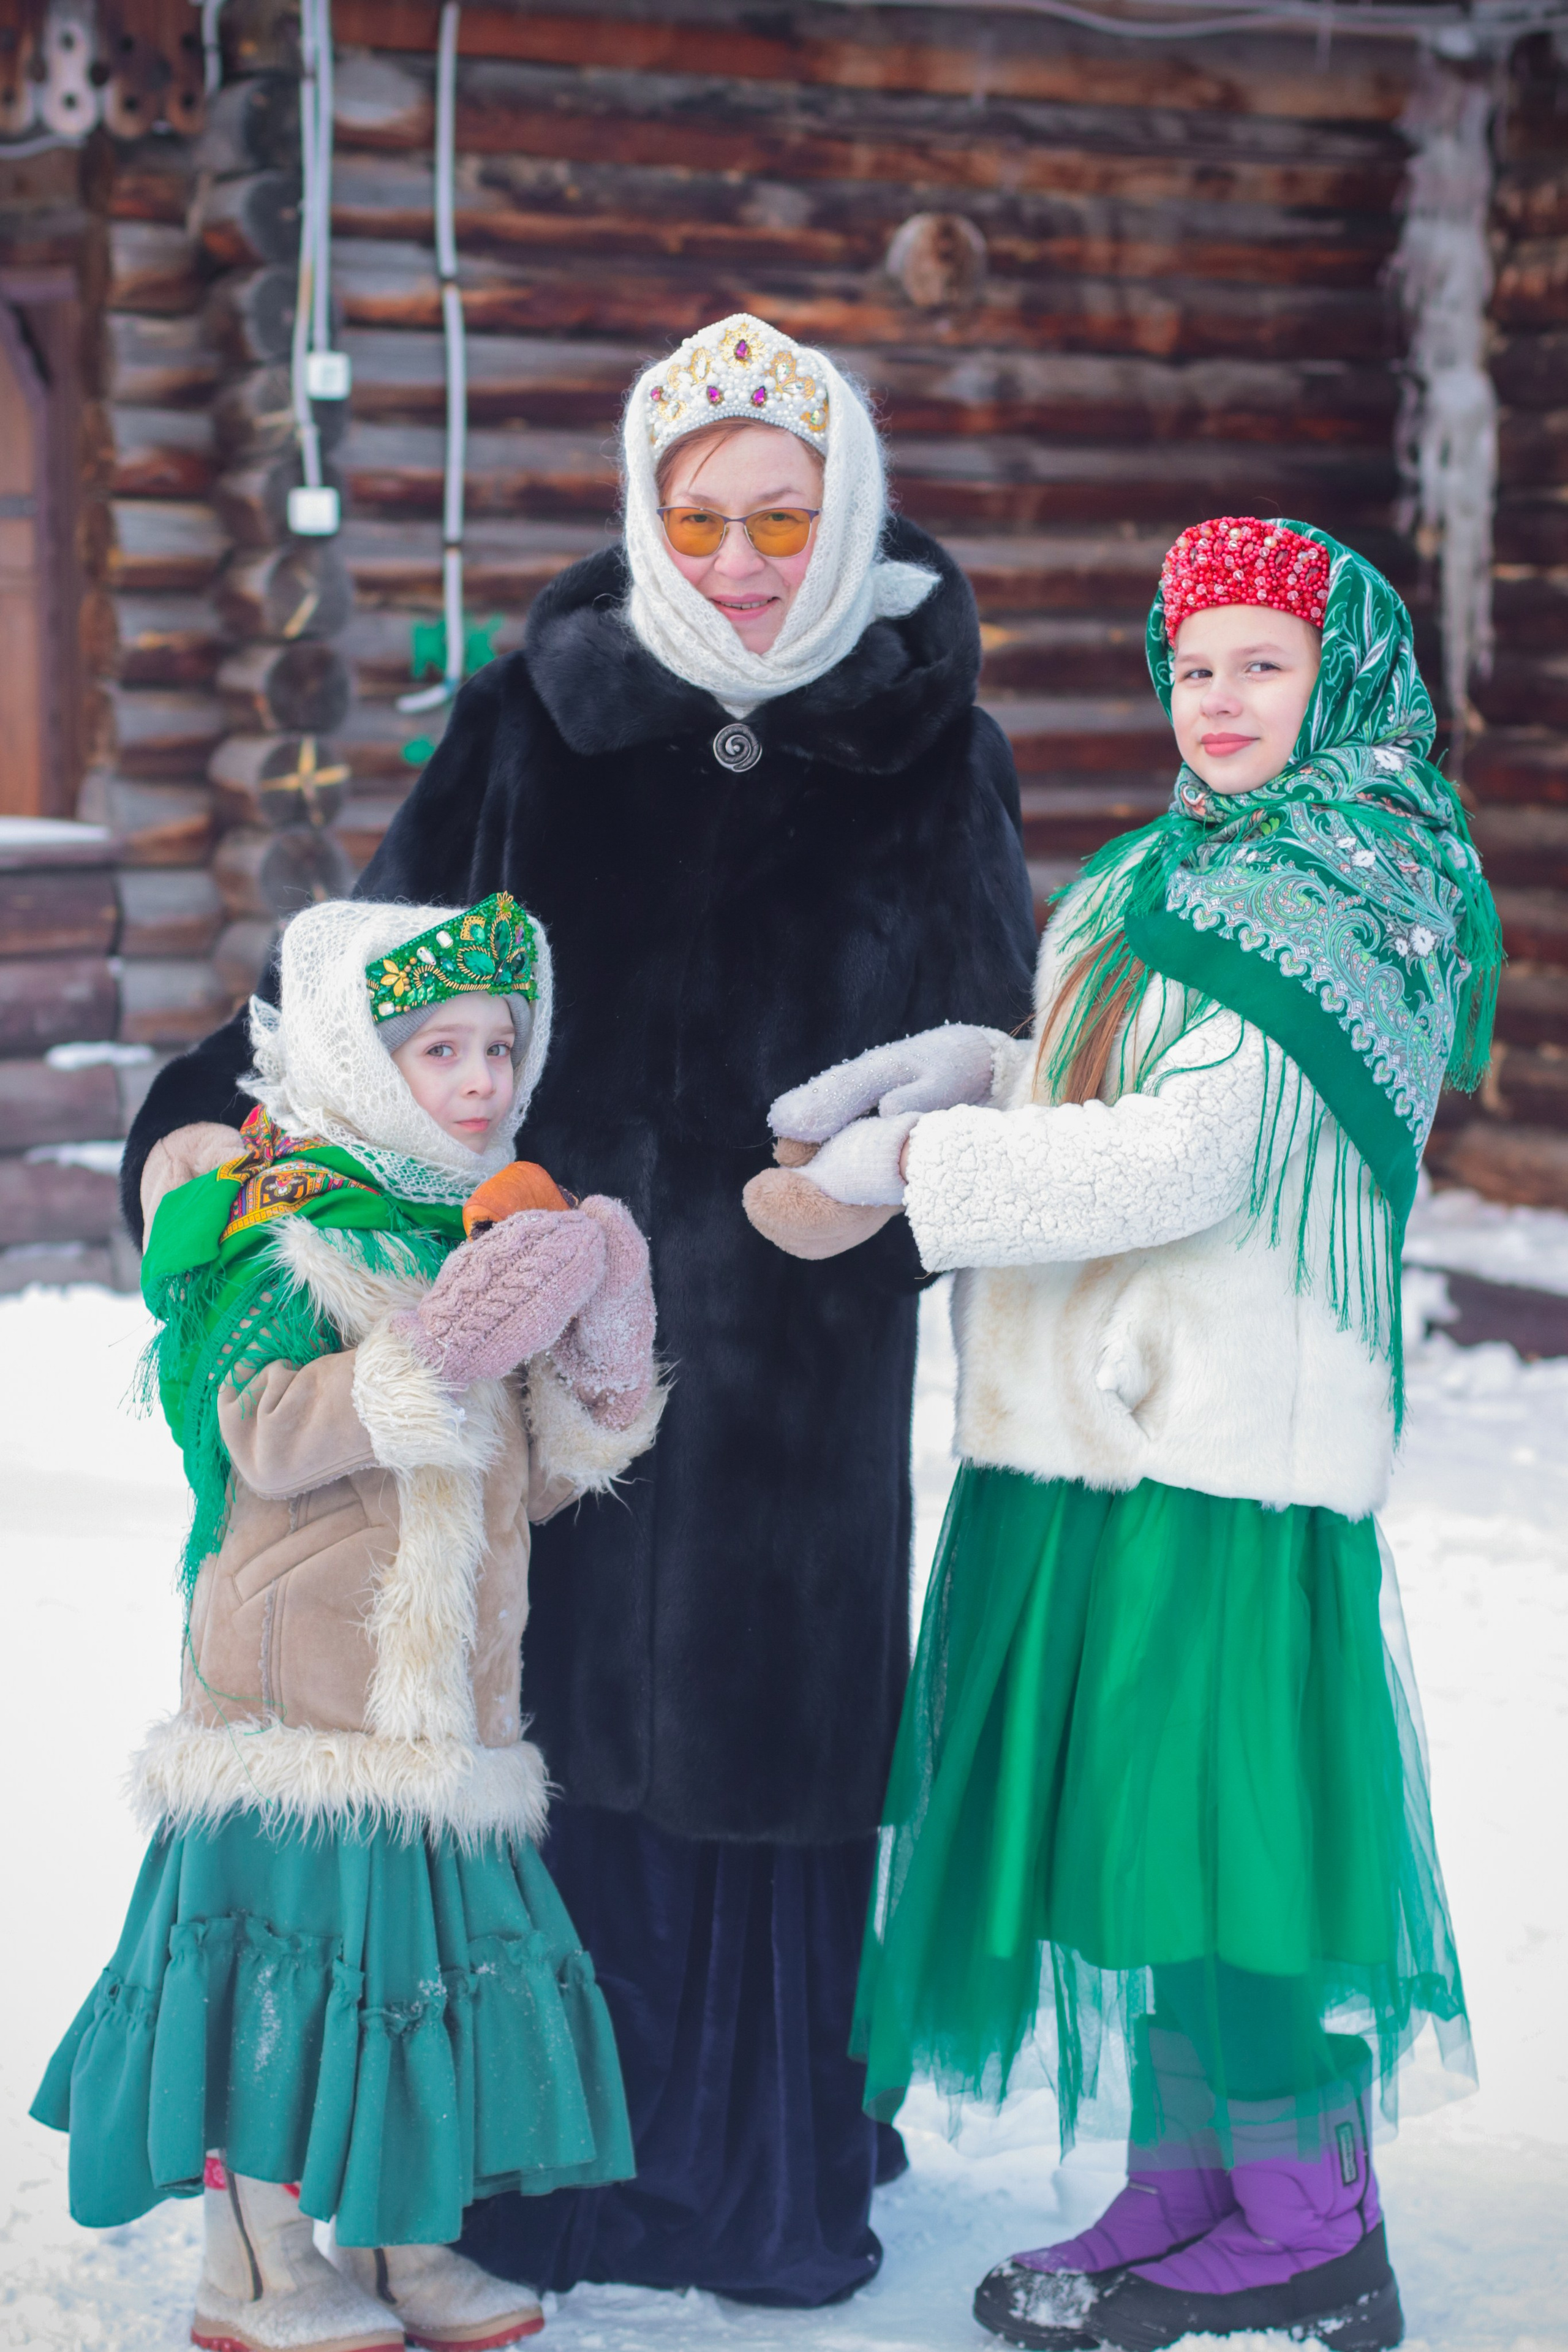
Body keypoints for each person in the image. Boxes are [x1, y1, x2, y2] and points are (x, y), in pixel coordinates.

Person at [118, 312, 1038, 2307]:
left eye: (782, 516)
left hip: (794, 1381)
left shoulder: (934, 752)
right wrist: (200, 1119)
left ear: (848, 511)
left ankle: (751, 2173)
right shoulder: (541, 718)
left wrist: (891, 1180)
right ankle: (510, 2168)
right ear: (645, 514)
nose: (739, 560)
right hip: (526, 1342)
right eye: (698, 518)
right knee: (536, 1724)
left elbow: (988, 1058)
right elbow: (356, 978)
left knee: (757, 1749)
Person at [760, 519, 1498, 2350]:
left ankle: (1313, 2230)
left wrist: (913, 1165)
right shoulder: (1168, 869)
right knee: (1144, 1847)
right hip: (1103, 1440)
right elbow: (1111, 1085)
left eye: (1265, 665)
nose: (1219, 699)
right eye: (1194, 665)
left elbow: (1182, 1156)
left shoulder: (1350, 891)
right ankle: (1191, 2184)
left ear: (1341, 680)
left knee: (1224, 1854)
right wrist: (974, 1071)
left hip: (1224, 1462)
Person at [36, 891, 662, 2352]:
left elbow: (523, 1483)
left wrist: (597, 1360)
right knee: (284, 1975)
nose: (481, 1081)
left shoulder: (487, 1221)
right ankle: (252, 2265)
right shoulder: (279, 1224)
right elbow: (257, 1433)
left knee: (417, 1977)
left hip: (445, 1699)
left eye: (501, 1047)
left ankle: (399, 2244)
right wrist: (429, 1347)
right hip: (296, 1691)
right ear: (359, 1057)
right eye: (439, 1050)